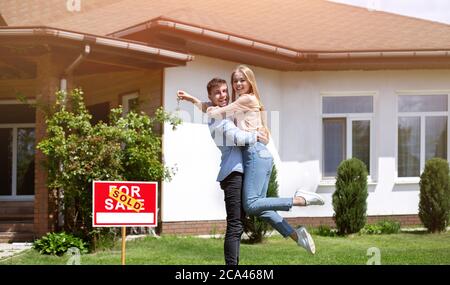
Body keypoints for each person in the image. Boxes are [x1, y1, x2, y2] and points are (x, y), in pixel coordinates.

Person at [178, 66, 325, 255]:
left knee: (252, 204)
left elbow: (216, 112)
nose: (238, 84)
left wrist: (253, 133)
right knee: (261, 208)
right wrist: (193, 100)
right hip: (259, 155)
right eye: (235, 81)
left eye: (242, 80)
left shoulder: (245, 99)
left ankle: (300, 199)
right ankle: (297, 235)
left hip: (255, 153)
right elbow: (212, 108)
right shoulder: (238, 103)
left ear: (250, 82)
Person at [178, 78, 267, 265]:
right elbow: (238, 137)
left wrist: (190, 98)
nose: (223, 95)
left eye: (225, 91)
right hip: (232, 174)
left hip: (238, 172)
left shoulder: (219, 110)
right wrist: (257, 135)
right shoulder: (218, 118)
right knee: (235, 225)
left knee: (238, 224)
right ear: (211, 96)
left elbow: (204, 105)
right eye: (218, 92)